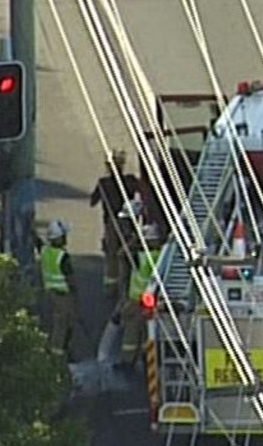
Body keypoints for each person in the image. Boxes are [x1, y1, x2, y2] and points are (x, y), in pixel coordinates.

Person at [115, 223, 164, 372]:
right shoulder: (160, 255)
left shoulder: (140, 256)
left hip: (137, 300)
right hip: (149, 301)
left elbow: (121, 254)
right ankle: (146, 359)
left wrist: (134, 240)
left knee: (132, 332)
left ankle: (128, 361)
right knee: (146, 332)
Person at [90, 150, 138, 299]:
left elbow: (93, 201)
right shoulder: (130, 181)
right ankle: (126, 285)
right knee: (127, 253)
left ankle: (112, 287)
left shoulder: (104, 183)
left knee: (112, 255)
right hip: (127, 222)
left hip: (112, 222)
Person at [40, 220, 78, 361]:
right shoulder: (63, 257)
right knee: (64, 325)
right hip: (63, 295)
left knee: (53, 323)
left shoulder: (45, 251)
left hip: (49, 293)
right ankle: (58, 356)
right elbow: (70, 277)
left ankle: (57, 351)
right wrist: (75, 293)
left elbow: (38, 243)